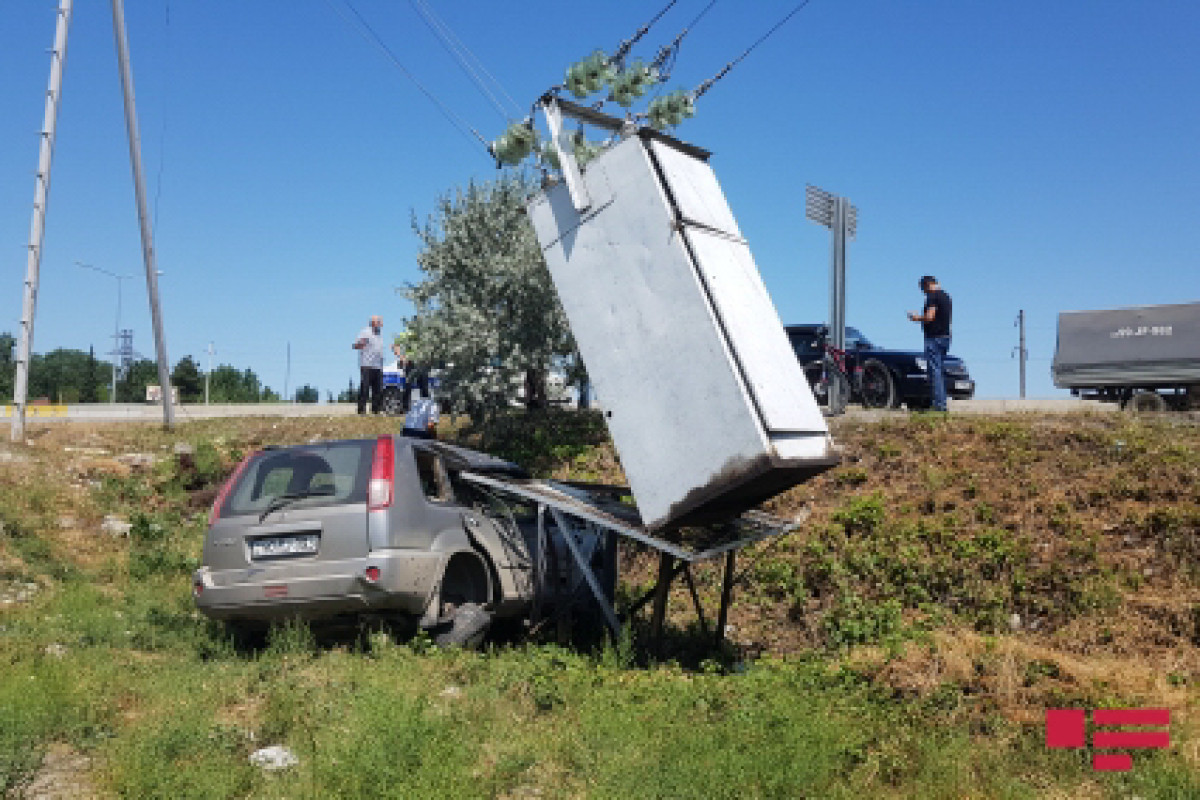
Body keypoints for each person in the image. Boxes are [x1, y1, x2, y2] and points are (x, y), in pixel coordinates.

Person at [907, 276, 953, 412]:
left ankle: (939, 405)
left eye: (922, 288)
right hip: (945, 337)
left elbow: (929, 317)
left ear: (927, 285)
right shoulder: (946, 296)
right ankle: (941, 402)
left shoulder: (933, 297)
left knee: (935, 371)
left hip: (934, 338)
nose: (923, 292)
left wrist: (916, 318)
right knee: (939, 370)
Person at [352, 315, 386, 414]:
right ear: (372, 322)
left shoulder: (379, 334)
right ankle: (361, 409)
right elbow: (355, 345)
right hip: (367, 364)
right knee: (365, 387)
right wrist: (360, 344)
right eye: (378, 321)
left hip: (378, 366)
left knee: (377, 389)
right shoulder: (365, 332)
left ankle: (376, 410)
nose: (380, 323)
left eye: (380, 321)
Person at [402, 370, 440, 439]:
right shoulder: (432, 402)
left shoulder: (412, 398)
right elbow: (430, 425)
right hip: (419, 434)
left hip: (406, 431)